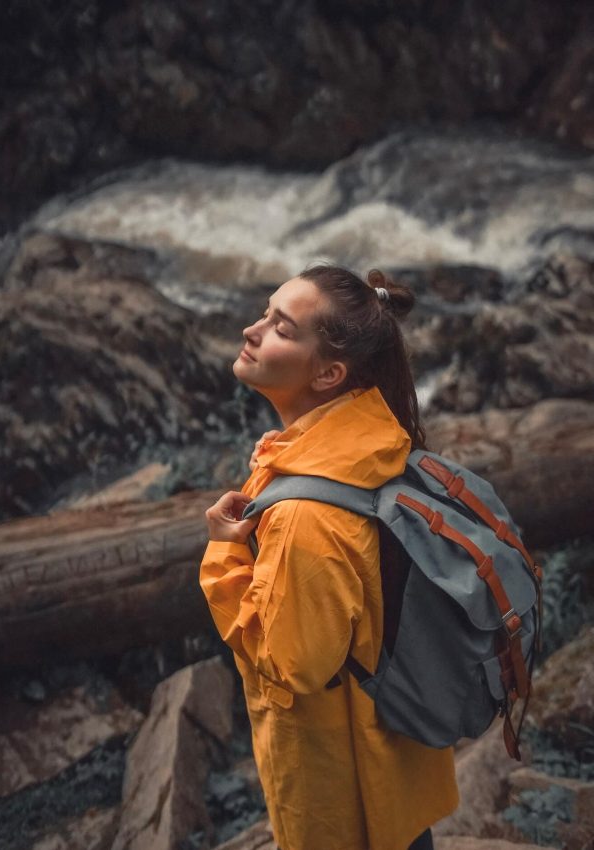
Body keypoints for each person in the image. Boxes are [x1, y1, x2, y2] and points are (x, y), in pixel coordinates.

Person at [200, 265, 459, 850]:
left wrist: (224, 555)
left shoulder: (306, 514)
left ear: (329, 373)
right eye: (267, 313)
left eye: (281, 329)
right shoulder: (370, 437)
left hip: (342, 791)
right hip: (396, 754)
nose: (251, 330)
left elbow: (295, 667)